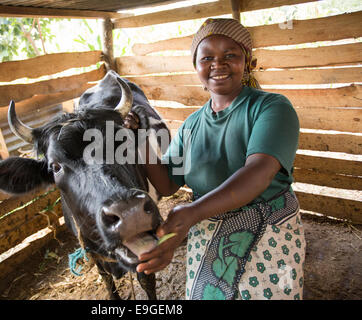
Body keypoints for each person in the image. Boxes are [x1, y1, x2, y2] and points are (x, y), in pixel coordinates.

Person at [124, 18, 305, 300]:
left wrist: (191, 213)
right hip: (206, 235)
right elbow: (168, 183)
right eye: (207, 57)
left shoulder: (272, 108)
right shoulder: (191, 125)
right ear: (196, 65)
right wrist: (138, 139)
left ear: (248, 61)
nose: (217, 64)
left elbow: (259, 173)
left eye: (229, 55)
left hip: (266, 231)